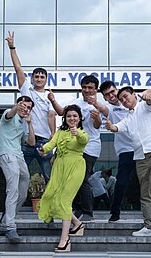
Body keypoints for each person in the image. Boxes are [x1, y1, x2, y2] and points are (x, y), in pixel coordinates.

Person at [105, 86, 151, 237]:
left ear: (134, 95)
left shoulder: (145, 106)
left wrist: (149, 97)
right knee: (145, 191)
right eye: (122, 100)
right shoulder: (127, 118)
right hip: (139, 156)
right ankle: (149, 227)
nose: (124, 101)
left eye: (126, 96)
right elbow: (116, 128)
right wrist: (110, 126)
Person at [95, 81, 151, 222]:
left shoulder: (134, 103)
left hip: (143, 148)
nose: (111, 96)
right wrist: (93, 101)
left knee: (150, 182)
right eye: (107, 94)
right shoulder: (110, 109)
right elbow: (102, 108)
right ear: (104, 97)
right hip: (126, 151)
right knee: (121, 182)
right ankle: (115, 212)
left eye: (112, 92)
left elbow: (149, 94)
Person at [48, 75, 102, 222]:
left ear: (96, 89)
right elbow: (61, 113)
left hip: (90, 148)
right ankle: (77, 208)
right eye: (84, 87)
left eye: (90, 88)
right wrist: (53, 100)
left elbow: (97, 125)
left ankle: (88, 212)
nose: (87, 90)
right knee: (71, 179)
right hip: (73, 148)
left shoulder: (98, 105)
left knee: (82, 179)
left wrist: (97, 115)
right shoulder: (76, 103)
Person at [38, 104, 89, 253]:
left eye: (74, 116)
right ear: (65, 118)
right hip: (59, 167)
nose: (71, 118)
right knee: (53, 196)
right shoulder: (60, 131)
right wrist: (43, 149)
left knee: (65, 201)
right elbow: (51, 144)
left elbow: (84, 140)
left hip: (75, 167)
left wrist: (77, 134)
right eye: (68, 116)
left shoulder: (81, 132)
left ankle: (65, 240)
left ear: (79, 118)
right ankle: (77, 224)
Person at [5, 31, 56, 183]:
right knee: (20, 177)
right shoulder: (27, 89)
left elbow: (52, 116)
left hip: (44, 142)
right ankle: (14, 206)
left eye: (42, 77)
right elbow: (18, 68)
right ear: (32, 78)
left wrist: (53, 135)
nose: (39, 79)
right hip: (26, 140)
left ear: (46, 79)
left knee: (50, 177)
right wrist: (12, 47)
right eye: (36, 76)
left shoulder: (49, 95)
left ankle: (53, 207)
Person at [0, 96, 35, 243]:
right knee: (13, 190)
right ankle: (10, 227)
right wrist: (17, 107)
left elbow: (31, 142)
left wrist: (30, 124)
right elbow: (9, 114)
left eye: (29, 107)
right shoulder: (8, 113)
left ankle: (5, 221)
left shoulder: (23, 123)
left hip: (19, 157)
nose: (26, 109)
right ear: (18, 104)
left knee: (23, 193)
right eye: (23, 105)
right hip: (6, 154)